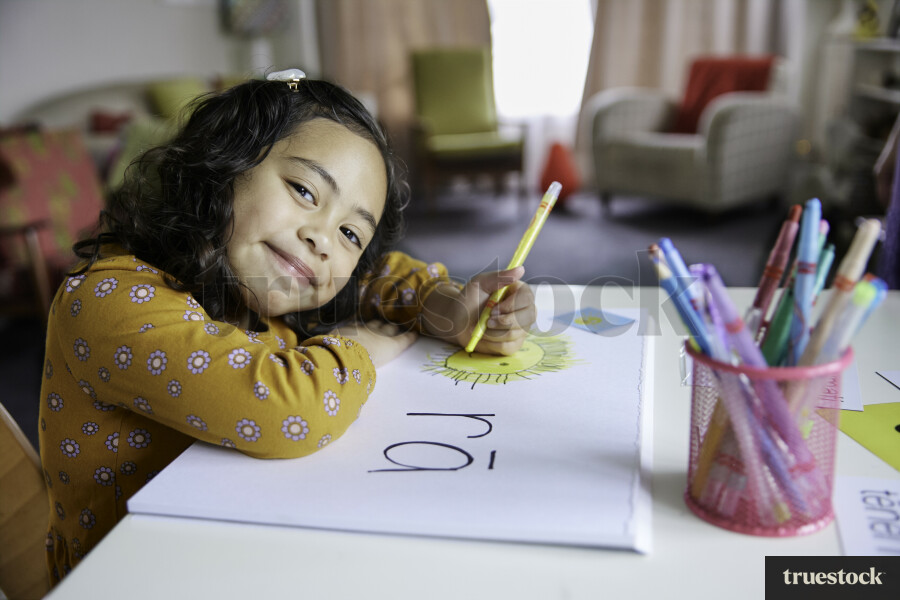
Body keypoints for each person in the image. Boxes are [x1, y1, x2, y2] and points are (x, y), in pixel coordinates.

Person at [38, 70, 536, 583]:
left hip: (247, 552)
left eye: (350, 232)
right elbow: (286, 409)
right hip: (138, 580)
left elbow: (382, 276)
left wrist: (448, 307)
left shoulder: (258, 275)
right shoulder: (107, 300)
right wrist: (353, 346)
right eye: (303, 190)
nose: (322, 238)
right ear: (223, 164)